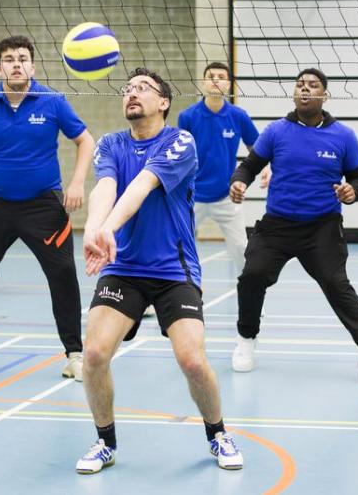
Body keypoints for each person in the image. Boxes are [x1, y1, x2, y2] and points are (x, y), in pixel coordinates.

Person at [76, 67, 243, 475]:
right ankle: (105, 441)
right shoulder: (111, 143)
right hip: (124, 268)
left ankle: (218, 432)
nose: (132, 94)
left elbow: (143, 185)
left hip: (174, 269)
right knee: (94, 354)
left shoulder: (179, 141)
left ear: (164, 102)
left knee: (191, 360)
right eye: (127, 89)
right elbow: (106, 189)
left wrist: (106, 230)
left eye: (143, 89)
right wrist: (95, 230)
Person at [0, 35, 95, 381]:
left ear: (32, 65)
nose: (16, 64)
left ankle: (74, 354)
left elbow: (85, 141)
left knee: (63, 277)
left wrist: (76, 182)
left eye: (23, 58)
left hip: (43, 205)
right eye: (9, 59)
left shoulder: (52, 101)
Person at [228, 68, 358, 385]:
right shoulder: (276, 131)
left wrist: (352, 192)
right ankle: (246, 339)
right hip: (277, 226)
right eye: (299, 84)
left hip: (322, 228)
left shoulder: (343, 136)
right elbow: (249, 166)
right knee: (252, 276)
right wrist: (238, 183)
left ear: (324, 95)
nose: (305, 89)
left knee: (336, 285)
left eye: (312, 85)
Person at [176, 62, 262, 278]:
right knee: (172, 247)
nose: (215, 79)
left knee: (243, 249)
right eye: (211, 76)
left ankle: (250, 300)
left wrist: (266, 168)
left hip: (226, 197)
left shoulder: (238, 116)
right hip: (193, 196)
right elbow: (180, 155)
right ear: (204, 82)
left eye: (221, 76)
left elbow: (257, 148)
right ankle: (173, 292)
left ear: (229, 84)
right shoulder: (187, 116)